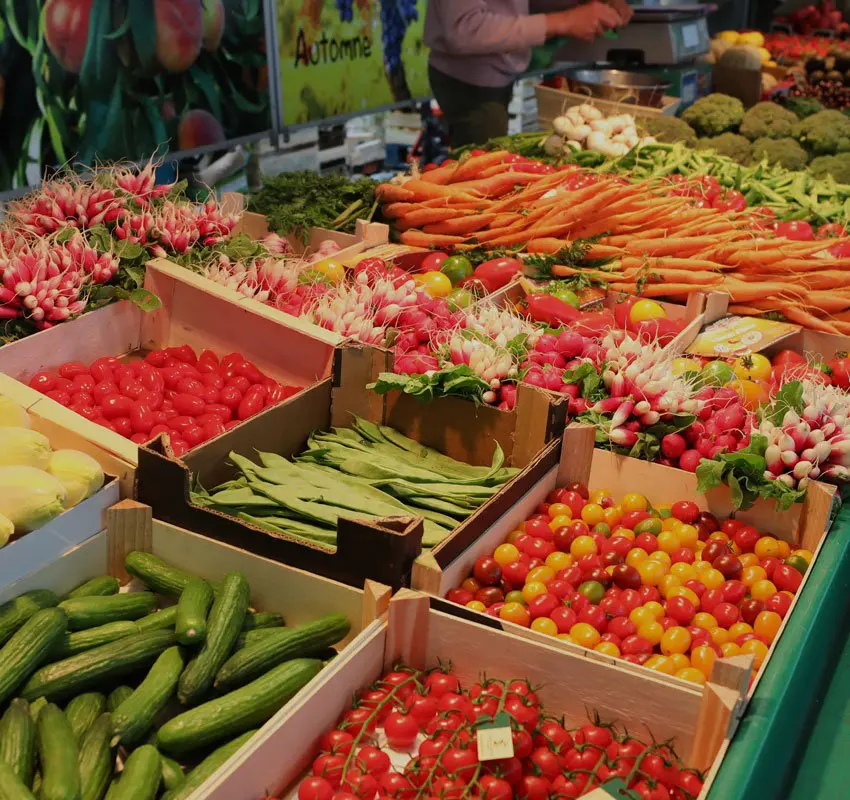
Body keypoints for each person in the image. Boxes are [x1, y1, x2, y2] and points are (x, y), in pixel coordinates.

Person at [425, 1, 634, 147]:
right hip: (468, 80)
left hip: (495, 73)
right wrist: (565, 21)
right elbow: (462, 29)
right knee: (479, 183)